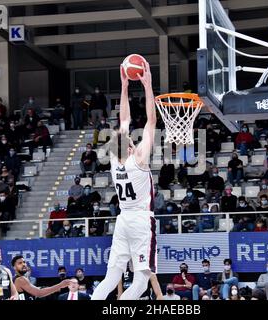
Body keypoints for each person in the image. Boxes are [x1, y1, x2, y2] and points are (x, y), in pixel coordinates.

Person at [91, 61, 157, 300]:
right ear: (129, 146)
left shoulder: (114, 160)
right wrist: (148, 87)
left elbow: (124, 120)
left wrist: (124, 87)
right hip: (140, 219)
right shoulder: (138, 158)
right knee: (140, 283)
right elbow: (151, 122)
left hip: (122, 221)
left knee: (111, 278)